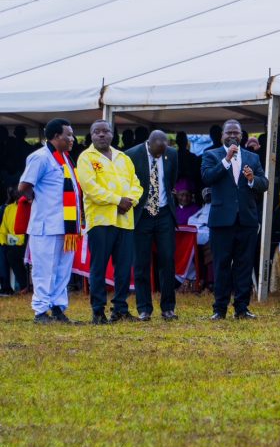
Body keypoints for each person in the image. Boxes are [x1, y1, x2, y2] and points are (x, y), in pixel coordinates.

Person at [76, 120, 143, 324]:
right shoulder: (86, 158)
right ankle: (98, 311)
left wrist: (130, 200)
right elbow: (90, 187)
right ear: (91, 135)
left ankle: (120, 309)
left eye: (106, 131)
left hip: (125, 220)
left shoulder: (124, 158)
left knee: (123, 267)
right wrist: (117, 201)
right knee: (99, 266)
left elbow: (136, 184)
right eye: (97, 132)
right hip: (101, 220)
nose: (102, 135)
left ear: (113, 134)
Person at [18, 119, 84, 324]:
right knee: (44, 270)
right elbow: (24, 186)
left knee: (62, 270)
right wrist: (36, 200)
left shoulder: (64, 158)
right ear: (56, 136)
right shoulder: (40, 157)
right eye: (69, 135)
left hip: (67, 226)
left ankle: (57, 308)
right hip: (46, 225)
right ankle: (40, 311)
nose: (72, 139)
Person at [201, 119, 269, 320]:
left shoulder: (252, 157)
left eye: (236, 133)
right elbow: (207, 177)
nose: (233, 136)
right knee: (221, 264)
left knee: (244, 265)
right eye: (229, 132)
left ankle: (242, 308)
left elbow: (263, 183)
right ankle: (219, 309)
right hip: (222, 221)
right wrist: (226, 160)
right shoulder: (211, 155)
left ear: (242, 135)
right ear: (222, 135)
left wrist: (251, 180)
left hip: (246, 220)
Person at [127, 130, 179, 321]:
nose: (160, 155)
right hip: (142, 214)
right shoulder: (131, 155)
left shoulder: (171, 154)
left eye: (162, 152)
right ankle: (144, 308)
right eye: (157, 152)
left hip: (164, 212)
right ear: (149, 143)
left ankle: (168, 307)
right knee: (141, 263)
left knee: (167, 260)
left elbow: (170, 180)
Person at [0, 186, 27, 295]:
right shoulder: (8, 208)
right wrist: (3, 242)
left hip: (27, 242)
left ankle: (24, 285)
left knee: (12, 253)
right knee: (5, 252)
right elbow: (3, 229)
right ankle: (6, 287)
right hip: (12, 244)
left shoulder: (29, 206)